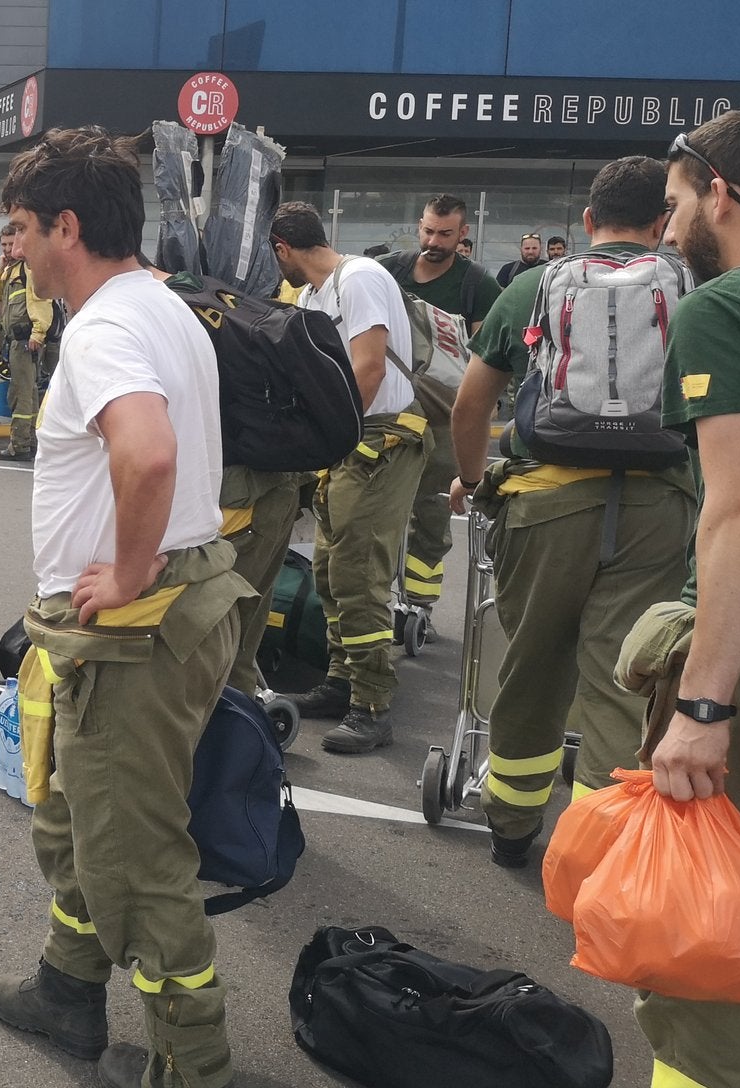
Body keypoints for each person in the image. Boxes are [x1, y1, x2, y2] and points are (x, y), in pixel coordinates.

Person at [0, 127, 253, 1088]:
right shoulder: (160, 307)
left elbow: (143, 456)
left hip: (131, 634)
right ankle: (65, 988)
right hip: (140, 624)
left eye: (17, 228)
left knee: (134, 858)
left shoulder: (99, 329)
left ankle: (196, 1072)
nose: (9, 249)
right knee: (68, 821)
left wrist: (129, 569)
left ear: (64, 226)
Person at [580, 113, 740, 1088]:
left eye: (681, 198)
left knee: (706, 950)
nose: (671, 219)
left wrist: (699, 705)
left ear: (719, 194)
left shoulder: (720, 309)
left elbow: (735, 511)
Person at [446, 158, 695, 867]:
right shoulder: (690, 287)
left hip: (544, 504)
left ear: (587, 223)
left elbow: (470, 404)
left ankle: (511, 830)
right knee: (623, 683)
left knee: (531, 667)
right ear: (661, 223)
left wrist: (476, 480)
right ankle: (600, 857)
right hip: (657, 504)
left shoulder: (531, 284)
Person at [274, 202, 431, 753]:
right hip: (348, 445)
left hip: (379, 441)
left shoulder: (359, 279)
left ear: (282, 249)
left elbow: (369, 367)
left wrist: (331, 437)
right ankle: (342, 680)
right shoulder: (314, 296)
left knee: (360, 574)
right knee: (330, 570)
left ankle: (371, 704)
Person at [152, 239, 305, 700]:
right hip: (273, 481)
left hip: (237, 492)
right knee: (242, 628)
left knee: (212, 636)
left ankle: (224, 741)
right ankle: (239, 736)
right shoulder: (216, 298)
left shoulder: (159, 315)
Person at [384, 193, 501, 615]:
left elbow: (487, 359)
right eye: (429, 231)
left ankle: (420, 602)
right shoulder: (388, 271)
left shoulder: (477, 285)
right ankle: (376, 595)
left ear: (463, 233)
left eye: (445, 234)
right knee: (379, 508)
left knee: (432, 512)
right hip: (390, 413)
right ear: (419, 225)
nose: (434, 242)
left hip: (442, 417)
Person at [0, 223, 54, 460]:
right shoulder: (10, 269)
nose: (6, 249)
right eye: (3, 244)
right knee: (29, 393)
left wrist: (38, 333)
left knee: (21, 393)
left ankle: (20, 445)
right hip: (15, 341)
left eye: (10, 244)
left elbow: (40, 302)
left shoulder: (28, 269)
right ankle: (31, 441)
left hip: (26, 341)